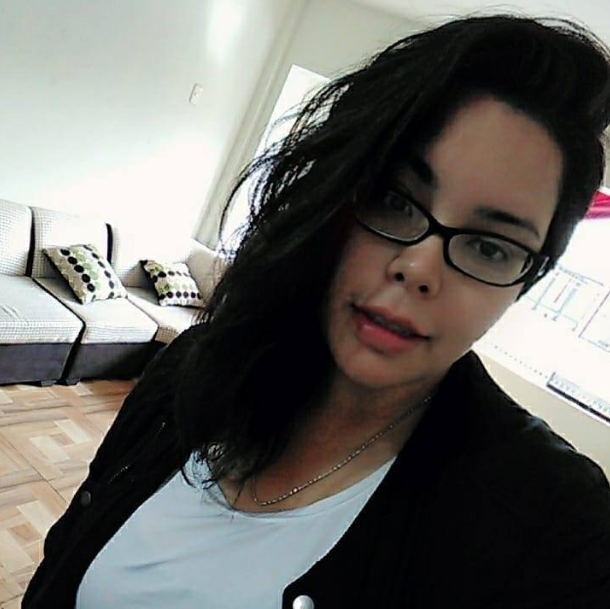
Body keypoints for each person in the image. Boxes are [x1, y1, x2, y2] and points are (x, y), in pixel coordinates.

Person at [23, 13, 610, 609]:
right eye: (395, 200)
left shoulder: (554, 531)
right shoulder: (193, 369)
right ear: (333, 195)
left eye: (490, 247)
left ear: (525, 283)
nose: (418, 268)